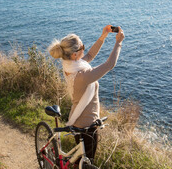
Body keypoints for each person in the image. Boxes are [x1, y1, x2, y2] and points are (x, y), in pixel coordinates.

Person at [48, 25, 124, 164]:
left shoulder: (69, 64)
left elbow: (90, 56)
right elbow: (109, 65)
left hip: (77, 119)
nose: (84, 48)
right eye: (82, 46)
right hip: (88, 124)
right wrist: (118, 43)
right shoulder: (82, 75)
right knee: (88, 162)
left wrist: (103, 36)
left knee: (80, 161)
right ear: (74, 54)